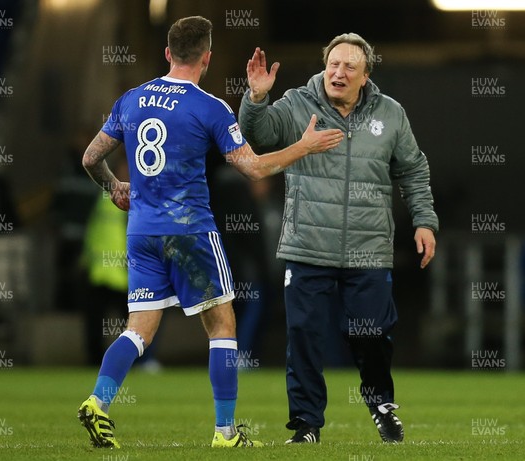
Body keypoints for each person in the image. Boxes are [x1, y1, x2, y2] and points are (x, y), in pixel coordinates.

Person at [77, 16, 344, 449]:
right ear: (207, 57)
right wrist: (305, 146)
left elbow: (91, 157)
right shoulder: (210, 108)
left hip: (142, 233)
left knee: (138, 329)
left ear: (167, 53)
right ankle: (224, 433)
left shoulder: (131, 99)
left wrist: (114, 187)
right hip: (190, 233)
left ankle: (98, 401)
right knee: (222, 325)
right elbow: (254, 167)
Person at [239, 33, 439, 444]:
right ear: (323, 67)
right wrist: (256, 99)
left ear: (366, 76)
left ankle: (381, 405)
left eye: (350, 66)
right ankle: (307, 424)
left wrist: (424, 220)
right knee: (305, 338)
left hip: (368, 251)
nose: (339, 72)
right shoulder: (296, 104)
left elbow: (414, 171)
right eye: (333, 64)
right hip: (308, 246)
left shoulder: (391, 114)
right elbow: (257, 136)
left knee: (372, 335)